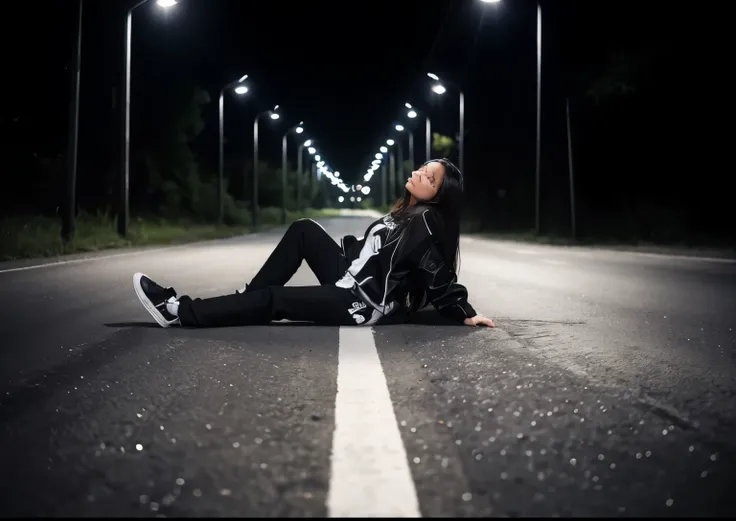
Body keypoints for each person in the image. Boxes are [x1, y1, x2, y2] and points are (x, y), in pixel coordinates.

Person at [133, 158, 495, 329]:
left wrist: (464, 312)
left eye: (428, 177)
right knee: (304, 229)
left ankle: (177, 311)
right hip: (350, 279)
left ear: (437, 194)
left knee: (276, 300)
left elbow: (438, 274)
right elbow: (374, 255)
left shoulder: (426, 220)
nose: (418, 173)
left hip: (360, 302)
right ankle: (245, 303)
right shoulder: (406, 212)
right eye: (422, 169)